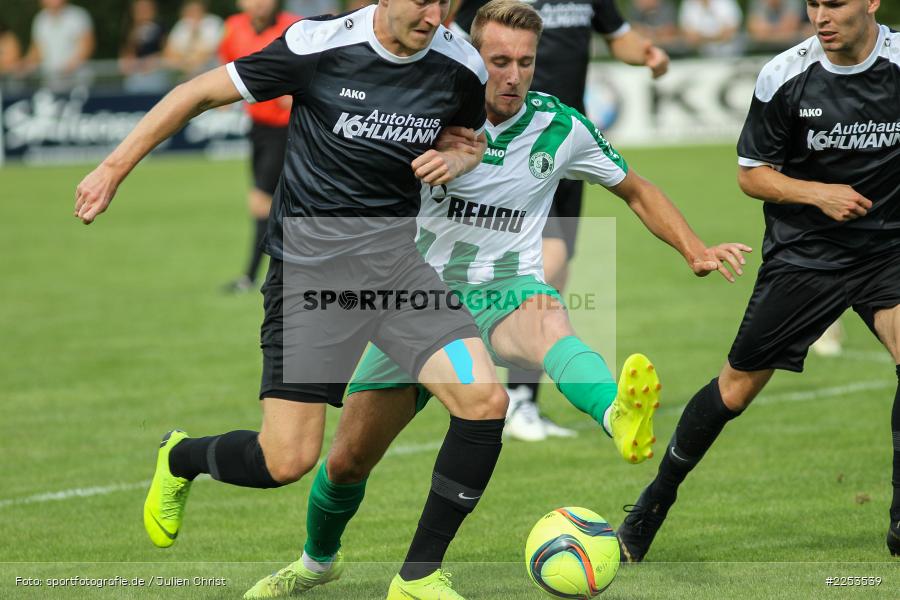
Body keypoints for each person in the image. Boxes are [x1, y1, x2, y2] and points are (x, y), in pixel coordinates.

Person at [241, 1, 750, 598]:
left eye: (525, 63)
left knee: (547, 320)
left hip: (507, 290)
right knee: (347, 461)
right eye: (499, 62)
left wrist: (694, 249)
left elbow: (636, 188)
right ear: (471, 56)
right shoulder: (424, 113)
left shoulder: (561, 127)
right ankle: (316, 562)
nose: (513, 76)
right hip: (415, 301)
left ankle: (615, 413)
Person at [75, 0, 516, 597]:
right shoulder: (317, 44)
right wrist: (112, 168)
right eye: (420, 0)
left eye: (442, 1)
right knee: (286, 461)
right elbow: (195, 93)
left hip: (396, 270)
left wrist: (461, 157)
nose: (434, 14)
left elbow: (468, 141)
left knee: (484, 401)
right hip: (310, 274)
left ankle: (418, 578)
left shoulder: (461, 64)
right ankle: (180, 457)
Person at [617, 0, 900, 563]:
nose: (820, 16)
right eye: (812, 4)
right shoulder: (785, 74)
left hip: (887, 252)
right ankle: (652, 505)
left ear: (871, 2)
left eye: (834, 3)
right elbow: (752, 175)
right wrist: (817, 193)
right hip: (806, 257)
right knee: (735, 390)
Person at [452, 0, 670, 441]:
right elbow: (450, 41)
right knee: (543, 268)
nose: (515, 70)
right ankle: (510, 388)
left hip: (560, 144)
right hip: (507, 149)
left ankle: (524, 396)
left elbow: (619, 37)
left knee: (557, 269)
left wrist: (647, 53)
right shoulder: (486, 10)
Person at [218, 0, 300, 293]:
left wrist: (295, 92)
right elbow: (229, 69)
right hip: (258, 128)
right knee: (278, 205)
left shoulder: (294, 27)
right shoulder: (232, 28)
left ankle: (251, 277)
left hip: (288, 128)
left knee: (261, 202)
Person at [22, 0, 95, 91]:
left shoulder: (78, 16)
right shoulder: (40, 20)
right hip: (51, 83)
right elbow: (37, 51)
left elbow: (87, 46)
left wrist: (69, 67)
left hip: (78, 83)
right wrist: (24, 65)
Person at [164, 0, 224, 80]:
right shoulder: (182, 24)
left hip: (207, 64)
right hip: (182, 64)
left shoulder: (213, 22)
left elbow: (210, 50)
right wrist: (182, 62)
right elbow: (169, 49)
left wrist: (190, 62)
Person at [119, 0, 168, 94]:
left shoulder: (160, 26)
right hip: (136, 72)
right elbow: (127, 51)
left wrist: (154, 60)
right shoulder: (130, 27)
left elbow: (166, 49)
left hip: (155, 71)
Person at [679, 0, 743, 56]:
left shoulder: (725, 2)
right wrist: (717, 37)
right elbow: (690, 38)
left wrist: (702, 38)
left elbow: (728, 34)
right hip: (699, 56)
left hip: (731, 53)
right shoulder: (688, 2)